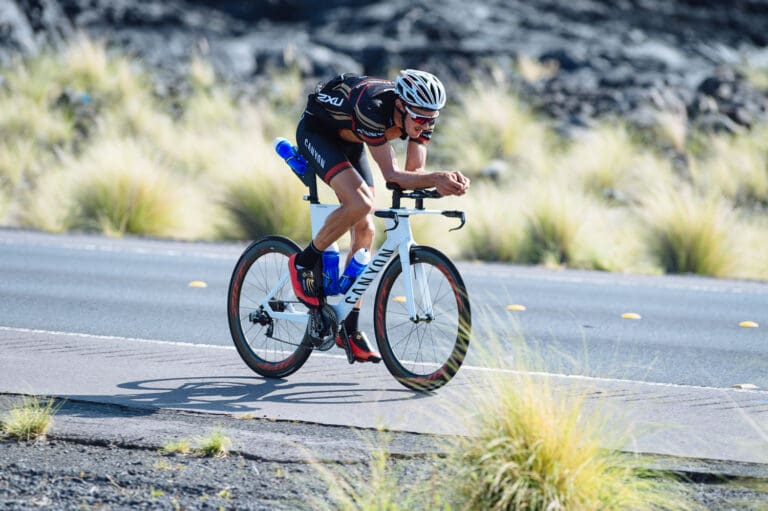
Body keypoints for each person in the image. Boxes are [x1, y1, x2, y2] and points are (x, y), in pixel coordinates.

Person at [290, 69, 470, 363]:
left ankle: (348, 330)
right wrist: (436, 178)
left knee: (366, 231)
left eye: (432, 119)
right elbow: (392, 176)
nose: (425, 125)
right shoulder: (373, 107)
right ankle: (303, 262)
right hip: (317, 132)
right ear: (400, 106)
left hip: (351, 139)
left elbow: (413, 174)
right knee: (359, 203)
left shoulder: (420, 118)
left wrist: (444, 185)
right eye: (421, 118)